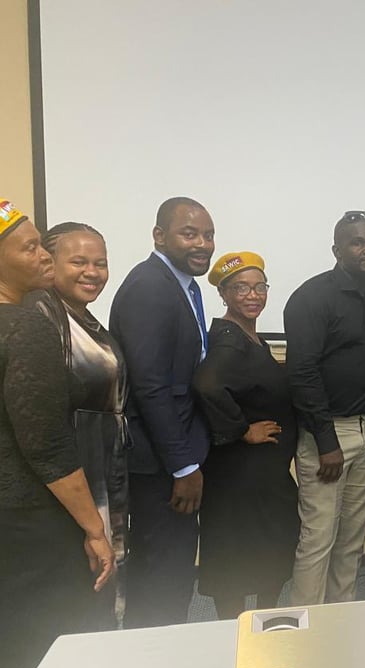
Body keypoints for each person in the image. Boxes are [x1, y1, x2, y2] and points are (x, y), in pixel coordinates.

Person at [0, 200, 115, 668]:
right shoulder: (26, 324)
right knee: (46, 649)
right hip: (31, 513)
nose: (43, 255)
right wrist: (94, 528)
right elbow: (44, 442)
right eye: (30, 248)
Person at [109, 197, 214, 628]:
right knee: (162, 576)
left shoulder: (181, 284)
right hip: (160, 464)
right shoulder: (150, 287)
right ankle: (150, 659)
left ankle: (164, 653)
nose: (202, 244)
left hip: (171, 454)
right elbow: (150, 386)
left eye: (208, 235)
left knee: (171, 571)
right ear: (159, 236)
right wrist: (183, 466)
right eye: (190, 234)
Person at [284, 210, 365, 605]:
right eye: (358, 243)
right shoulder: (311, 298)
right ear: (337, 250)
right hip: (328, 435)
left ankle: (340, 620)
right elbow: (302, 372)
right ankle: (307, 628)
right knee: (318, 539)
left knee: (352, 540)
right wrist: (326, 440)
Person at [27, 222, 128, 630]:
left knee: (102, 583)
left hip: (103, 467)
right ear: (49, 261)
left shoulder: (83, 317)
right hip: (71, 474)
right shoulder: (42, 312)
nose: (93, 272)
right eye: (79, 262)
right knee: (77, 589)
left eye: (100, 263)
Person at [192, 252, 300, 619]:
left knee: (271, 548)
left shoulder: (249, 336)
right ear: (223, 293)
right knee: (234, 558)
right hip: (240, 475)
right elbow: (207, 386)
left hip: (262, 475)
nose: (252, 295)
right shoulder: (229, 339)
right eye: (240, 288)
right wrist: (242, 430)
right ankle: (235, 636)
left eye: (259, 287)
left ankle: (263, 629)